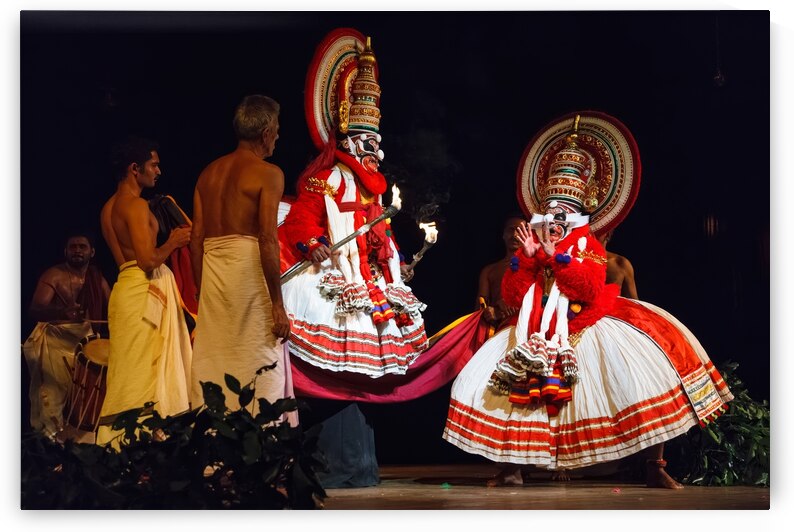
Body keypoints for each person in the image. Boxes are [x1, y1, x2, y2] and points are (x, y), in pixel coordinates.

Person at [443, 112, 733, 489]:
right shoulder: (531, 244)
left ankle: (653, 465)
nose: (555, 219)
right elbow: (513, 296)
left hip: (587, 320)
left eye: (563, 213)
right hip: (535, 326)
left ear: (577, 214)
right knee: (501, 385)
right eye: (550, 212)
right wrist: (527, 260)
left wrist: (556, 258)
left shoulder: (588, 246)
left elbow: (588, 290)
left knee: (643, 378)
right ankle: (513, 466)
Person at [279, 30, 428, 378]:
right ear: (347, 143)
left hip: (374, 279)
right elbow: (302, 220)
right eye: (367, 143)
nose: (376, 152)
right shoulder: (330, 179)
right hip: (337, 272)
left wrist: (397, 262)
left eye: (377, 143)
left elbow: (381, 235)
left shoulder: (376, 193)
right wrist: (312, 244)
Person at [189, 95, 296, 422]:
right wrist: (277, 305)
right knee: (261, 357)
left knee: (215, 360)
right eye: (276, 130)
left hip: (214, 275)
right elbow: (267, 237)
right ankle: (261, 453)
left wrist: (200, 293)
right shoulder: (269, 173)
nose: (278, 137)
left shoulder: (208, 173)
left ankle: (212, 453)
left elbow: (196, 240)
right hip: (248, 274)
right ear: (265, 133)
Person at [97, 136, 193, 446]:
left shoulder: (108, 207)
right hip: (141, 289)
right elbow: (148, 260)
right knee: (141, 372)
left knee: (130, 369)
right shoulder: (135, 206)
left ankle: (125, 446)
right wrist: (174, 241)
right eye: (153, 165)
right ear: (134, 169)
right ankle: (124, 447)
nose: (159, 171)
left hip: (125, 288)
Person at [22, 233, 111, 440]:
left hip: (85, 344)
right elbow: (35, 310)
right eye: (73, 247)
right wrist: (62, 313)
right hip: (55, 341)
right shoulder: (53, 275)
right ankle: (50, 446)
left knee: (83, 396)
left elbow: (111, 306)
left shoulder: (97, 277)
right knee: (51, 395)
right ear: (65, 252)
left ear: (92, 252)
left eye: (82, 246)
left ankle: (77, 448)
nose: (77, 250)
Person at [477, 214, 525, 330]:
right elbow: (478, 311)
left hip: (527, 329)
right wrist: (491, 311)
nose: (515, 235)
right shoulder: (489, 271)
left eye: (520, 230)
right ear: (503, 234)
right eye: (511, 229)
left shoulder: (536, 266)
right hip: (498, 330)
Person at [598, 229, 638, 299]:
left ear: (607, 234)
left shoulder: (620, 263)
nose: (591, 236)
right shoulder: (577, 261)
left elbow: (634, 303)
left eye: (597, 232)